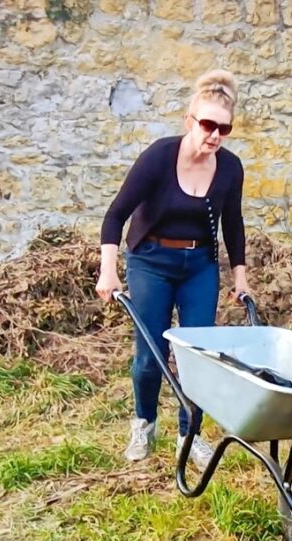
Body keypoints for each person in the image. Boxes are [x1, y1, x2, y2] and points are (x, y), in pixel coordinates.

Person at [95, 69, 250, 466]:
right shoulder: (159, 157)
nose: (214, 135)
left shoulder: (230, 168)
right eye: (208, 124)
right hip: (151, 262)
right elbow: (115, 216)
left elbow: (233, 223)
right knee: (151, 355)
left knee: (197, 355)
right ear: (190, 122)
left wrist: (240, 278)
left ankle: (189, 433)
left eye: (224, 128)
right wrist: (108, 270)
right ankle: (144, 423)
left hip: (199, 265)